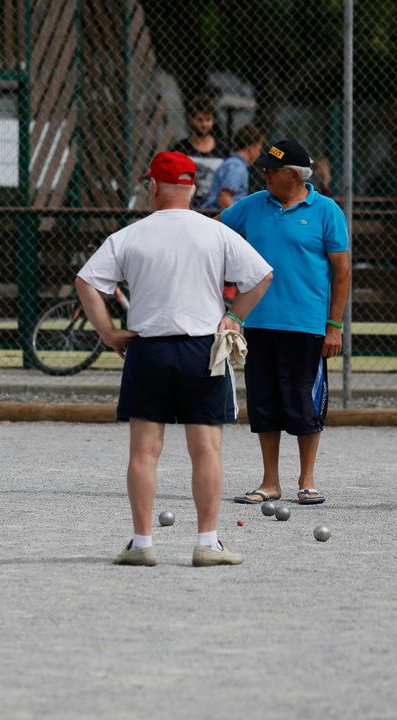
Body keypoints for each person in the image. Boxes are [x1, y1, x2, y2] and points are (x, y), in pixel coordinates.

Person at [76, 151, 273, 566]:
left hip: (148, 348)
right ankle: (207, 542)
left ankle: (143, 544)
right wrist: (233, 317)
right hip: (203, 348)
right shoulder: (214, 232)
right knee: (206, 451)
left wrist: (109, 332)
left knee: (144, 453)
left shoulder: (131, 235)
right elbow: (262, 275)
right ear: (189, 187)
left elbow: (86, 281)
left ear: (156, 186)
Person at [219, 139, 351, 507]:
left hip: (306, 324)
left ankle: (306, 480)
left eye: (270, 171)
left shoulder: (326, 211)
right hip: (258, 321)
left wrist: (334, 325)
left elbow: (342, 273)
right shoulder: (253, 206)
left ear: (293, 175)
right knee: (264, 402)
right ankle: (270, 481)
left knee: (304, 403)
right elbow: (214, 232)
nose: (263, 175)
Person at [170, 95, 230, 209]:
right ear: (191, 120)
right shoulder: (181, 148)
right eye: (199, 120)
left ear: (213, 121)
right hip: (187, 208)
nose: (204, 125)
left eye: (208, 120)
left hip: (215, 210)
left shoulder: (223, 149)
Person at [202, 124, 265, 212]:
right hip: (218, 216)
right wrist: (237, 220)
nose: (259, 154)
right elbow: (224, 197)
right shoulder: (237, 166)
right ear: (251, 147)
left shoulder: (233, 163)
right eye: (259, 149)